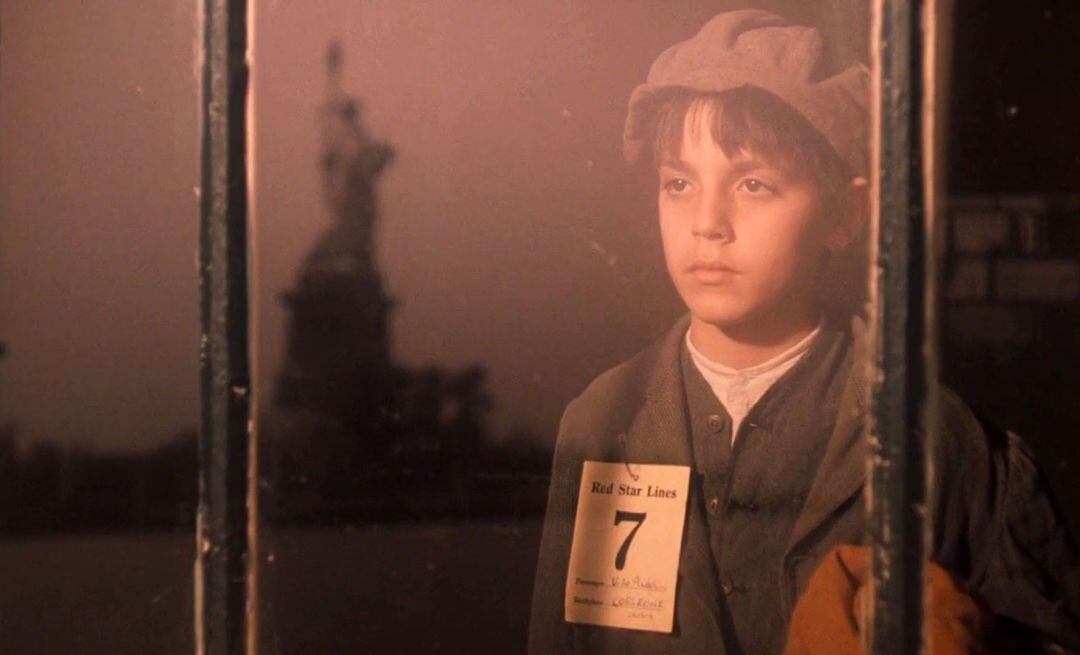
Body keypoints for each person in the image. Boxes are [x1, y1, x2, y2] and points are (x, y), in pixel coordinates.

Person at [528, 9, 1079, 654]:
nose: (707, 222)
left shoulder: (940, 444)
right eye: (678, 183)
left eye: (754, 184)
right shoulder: (602, 421)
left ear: (846, 214)